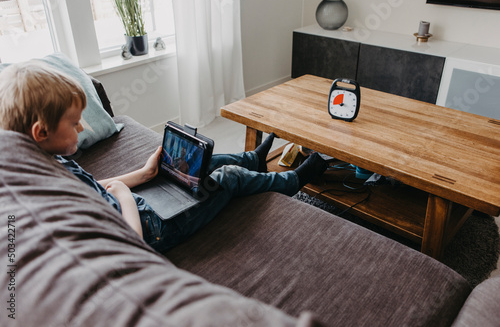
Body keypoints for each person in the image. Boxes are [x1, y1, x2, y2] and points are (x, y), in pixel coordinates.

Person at [0, 61, 328, 253]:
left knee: (192, 165)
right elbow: (132, 243)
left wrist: (142, 174)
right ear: (41, 132)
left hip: (141, 203)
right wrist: (127, 196)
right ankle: (293, 179)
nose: (82, 127)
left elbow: (94, 187)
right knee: (227, 178)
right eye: (73, 124)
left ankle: (252, 159)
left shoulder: (48, 164)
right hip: (155, 227)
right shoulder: (50, 199)